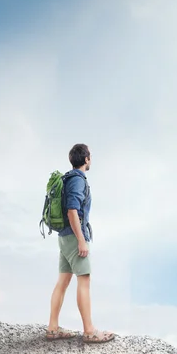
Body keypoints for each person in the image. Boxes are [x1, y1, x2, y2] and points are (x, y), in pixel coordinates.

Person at [45, 143, 115, 343]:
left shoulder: (67, 179)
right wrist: (81, 241)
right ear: (86, 159)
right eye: (90, 156)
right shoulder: (78, 180)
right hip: (74, 238)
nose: (90, 159)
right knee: (84, 281)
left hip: (64, 238)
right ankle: (89, 331)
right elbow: (72, 211)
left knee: (63, 281)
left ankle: (52, 328)